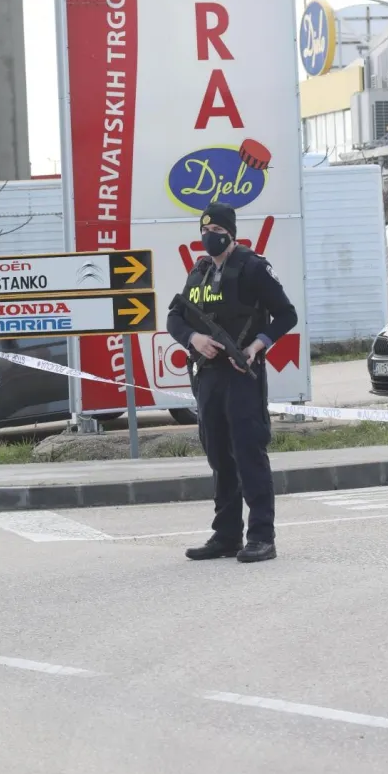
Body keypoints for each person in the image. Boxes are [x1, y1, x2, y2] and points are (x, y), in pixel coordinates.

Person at [167, 203, 297, 563]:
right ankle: (226, 535)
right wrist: (193, 339)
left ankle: (261, 536)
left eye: (215, 231)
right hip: (208, 377)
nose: (209, 237)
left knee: (248, 453)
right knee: (218, 456)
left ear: (230, 232)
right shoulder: (201, 271)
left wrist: (257, 345)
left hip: (243, 375)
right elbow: (175, 317)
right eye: (204, 232)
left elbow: (287, 314)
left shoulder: (253, 267)